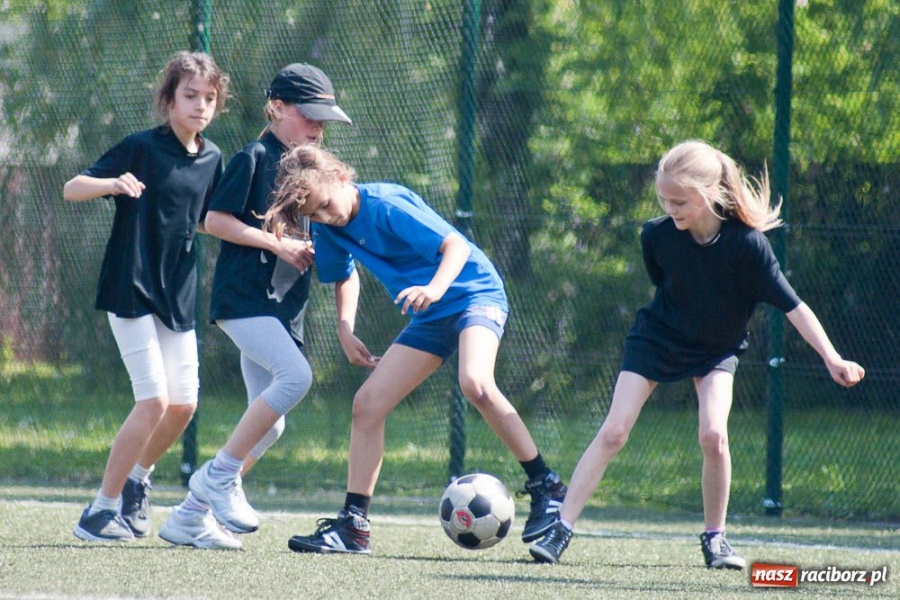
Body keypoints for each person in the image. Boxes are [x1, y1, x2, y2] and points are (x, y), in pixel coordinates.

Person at [528, 140, 866, 569]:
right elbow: (663, 282)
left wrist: (832, 358)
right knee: (614, 430)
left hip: (715, 350)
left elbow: (792, 305)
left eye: (680, 201)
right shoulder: (656, 235)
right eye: (664, 199)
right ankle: (561, 528)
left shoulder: (748, 245)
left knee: (713, 435)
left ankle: (716, 539)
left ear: (710, 193)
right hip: (656, 339)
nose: (671, 208)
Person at [261, 144, 568, 556]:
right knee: (367, 404)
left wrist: (433, 288)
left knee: (475, 383)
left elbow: (455, 246)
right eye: (313, 215)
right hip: (431, 313)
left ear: (339, 177)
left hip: (473, 292)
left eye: (324, 206)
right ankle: (354, 527)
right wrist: (345, 329)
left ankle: (546, 487)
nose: (324, 217)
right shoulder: (328, 228)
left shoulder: (386, 204)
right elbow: (343, 275)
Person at [158, 63, 352, 550]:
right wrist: (276, 244)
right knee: (297, 378)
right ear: (277, 108)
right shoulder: (255, 156)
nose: (317, 127)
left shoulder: (312, 168)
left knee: (271, 422)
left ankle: (190, 515)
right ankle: (218, 475)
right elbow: (214, 220)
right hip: (244, 301)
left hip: (283, 310)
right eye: (309, 115)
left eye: (324, 119)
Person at [63, 52, 230, 542]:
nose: (201, 106)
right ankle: (99, 512)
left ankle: (136, 483)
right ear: (169, 99)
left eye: (210, 98)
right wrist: (111, 183)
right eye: (191, 96)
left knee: (184, 405)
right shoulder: (139, 148)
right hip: (130, 285)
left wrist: (270, 235)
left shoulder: (213, 158)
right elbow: (73, 187)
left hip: (176, 293)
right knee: (153, 400)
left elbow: (205, 220)